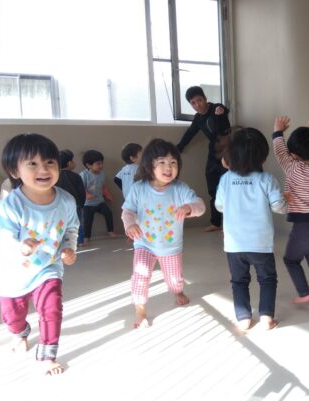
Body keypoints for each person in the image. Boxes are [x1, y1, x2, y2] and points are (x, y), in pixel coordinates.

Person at [0, 133, 79, 376]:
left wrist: (69, 248)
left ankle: (47, 356)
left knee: (52, 309)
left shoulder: (66, 201)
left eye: (50, 162)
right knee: (12, 316)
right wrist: (21, 247)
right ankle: (20, 332)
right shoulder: (12, 203)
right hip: (13, 271)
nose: (43, 169)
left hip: (48, 267)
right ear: (15, 170)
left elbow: (71, 229)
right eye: (32, 163)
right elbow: (2, 237)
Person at [122, 139, 205, 328]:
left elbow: (200, 205)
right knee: (140, 276)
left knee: (175, 279)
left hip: (171, 246)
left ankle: (177, 291)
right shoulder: (139, 188)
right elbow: (127, 211)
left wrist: (189, 208)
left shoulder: (180, 188)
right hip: (144, 243)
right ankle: (140, 310)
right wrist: (130, 224)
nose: (169, 167)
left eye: (173, 162)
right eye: (162, 162)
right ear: (149, 165)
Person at [215, 127, 287, 332]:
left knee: (239, 281)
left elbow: (219, 206)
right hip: (260, 244)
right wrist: (286, 200)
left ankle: (244, 319)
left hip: (234, 244)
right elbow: (278, 207)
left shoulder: (226, 179)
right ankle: (266, 317)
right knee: (267, 279)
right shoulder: (267, 179)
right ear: (262, 156)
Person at [273, 116, 309, 307]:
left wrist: (277, 132)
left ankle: (304, 293)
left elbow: (280, 153)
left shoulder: (294, 169)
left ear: (295, 155)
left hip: (303, 228)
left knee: (290, 260)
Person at [176, 86, 231, 232]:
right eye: (193, 103)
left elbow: (224, 116)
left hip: (228, 151)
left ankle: (231, 224)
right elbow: (190, 133)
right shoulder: (198, 118)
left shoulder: (216, 108)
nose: (197, 105)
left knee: (229, 187)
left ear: (205, 99)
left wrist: (221, 113)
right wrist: (179, 147)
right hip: (213, 152)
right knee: (213, 188)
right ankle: (216, 223)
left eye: (199, 100)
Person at [80, 149, 116, 244]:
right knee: (88, 221)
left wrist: (108, 195)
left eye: (101, 163)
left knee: (108, 213)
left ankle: (110, 231)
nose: (101, 166)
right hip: (87, 204)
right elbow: (80, 188)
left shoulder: (102, 174)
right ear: (89, 165)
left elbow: (103, 187)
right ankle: (87, 237)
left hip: (99, 202)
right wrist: (87, 195)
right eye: (98, 164)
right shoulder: (84, 175)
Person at [56, 149, 86, 246]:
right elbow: (81, 192)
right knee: (76, 223)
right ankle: (79, 241)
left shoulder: (55, 176)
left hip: (58, 206)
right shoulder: (76, 176)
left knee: (60, 224)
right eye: (73, 161)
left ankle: (60, 241)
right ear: (69, 163)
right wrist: (81, 204)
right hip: (75, 205)